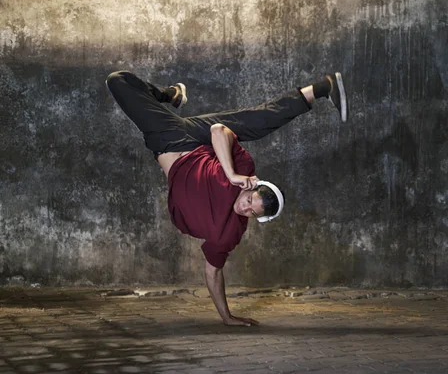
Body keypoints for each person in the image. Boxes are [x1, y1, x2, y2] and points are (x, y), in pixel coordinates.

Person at [105, 70, 347, 326]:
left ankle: (171, 95)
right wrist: (232, 174)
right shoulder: (243, 172)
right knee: (255, 121)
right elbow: (219, 130)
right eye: (250, 200)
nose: (245, 207)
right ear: (253, 187)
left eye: (252, 212)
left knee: (120, 83)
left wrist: (226, 317)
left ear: (257, 218)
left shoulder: (229, 233)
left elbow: (214, 273)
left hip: (167, 140)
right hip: (196, 139)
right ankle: (321, 88)